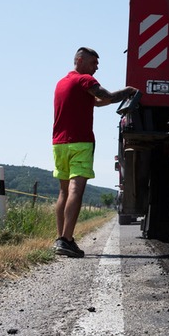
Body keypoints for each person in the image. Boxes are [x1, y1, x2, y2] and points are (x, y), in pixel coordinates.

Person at [53, 47, 137, 258]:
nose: (96, 68)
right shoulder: (84, 80)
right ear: (80, 60)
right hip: (80, 143)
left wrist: (114, 99)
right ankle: (67, 240)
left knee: (63, 191)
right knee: (76, 189)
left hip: (59, 144)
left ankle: (60, 239)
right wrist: (128, 91)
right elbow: (106, 95)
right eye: (93, 63)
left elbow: (98, 102)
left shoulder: (63, 83)